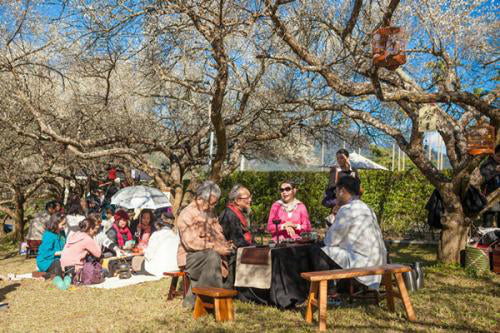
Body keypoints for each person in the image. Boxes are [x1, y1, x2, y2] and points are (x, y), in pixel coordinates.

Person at [322, 176, 387, 290]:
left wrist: (332, 222)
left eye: (336, 191)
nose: (335, 195)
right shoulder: (367, 207)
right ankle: (337, 288)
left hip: (363, 263)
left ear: (342, 191)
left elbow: (330, 241)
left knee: (320, 251)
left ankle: (328, 290)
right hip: (378, 262)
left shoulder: (347, 209)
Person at [177, 180, 235, 308]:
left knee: (234, 253)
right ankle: (201, 301)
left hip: (209, 252)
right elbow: (190, 244)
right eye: (211, 203)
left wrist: (224, 245)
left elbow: (218, 233)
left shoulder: (210, 212)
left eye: (214, 204)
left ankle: (224, 294)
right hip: (191, 257)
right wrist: (215, 248)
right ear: (199, 199)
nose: (212, 207)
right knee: (213, 256)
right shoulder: (187, 214)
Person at [132, 210, 180, 276]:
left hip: (159, 269)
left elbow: (149, 255)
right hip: (175, 267)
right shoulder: (175, 235)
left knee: (135, 260)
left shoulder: (156, 234)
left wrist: (144, 251)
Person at [36, 213, 67, 277]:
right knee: (58, 264)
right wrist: (60, 253)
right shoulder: (48, 235)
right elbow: (45, 253)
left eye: (65, 224)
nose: (64, 226)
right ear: (55, 224)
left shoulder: (62, 233)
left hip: (60, 258)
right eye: (63, 224)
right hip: (46, 261)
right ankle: (44, 274)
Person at [480, 144, 500, 227]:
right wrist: (495, 171)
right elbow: (484, 178)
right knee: (488, 223)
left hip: (498, 196)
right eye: (499, 156)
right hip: (490, 198)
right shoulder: (486, 164)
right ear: (493, 154)